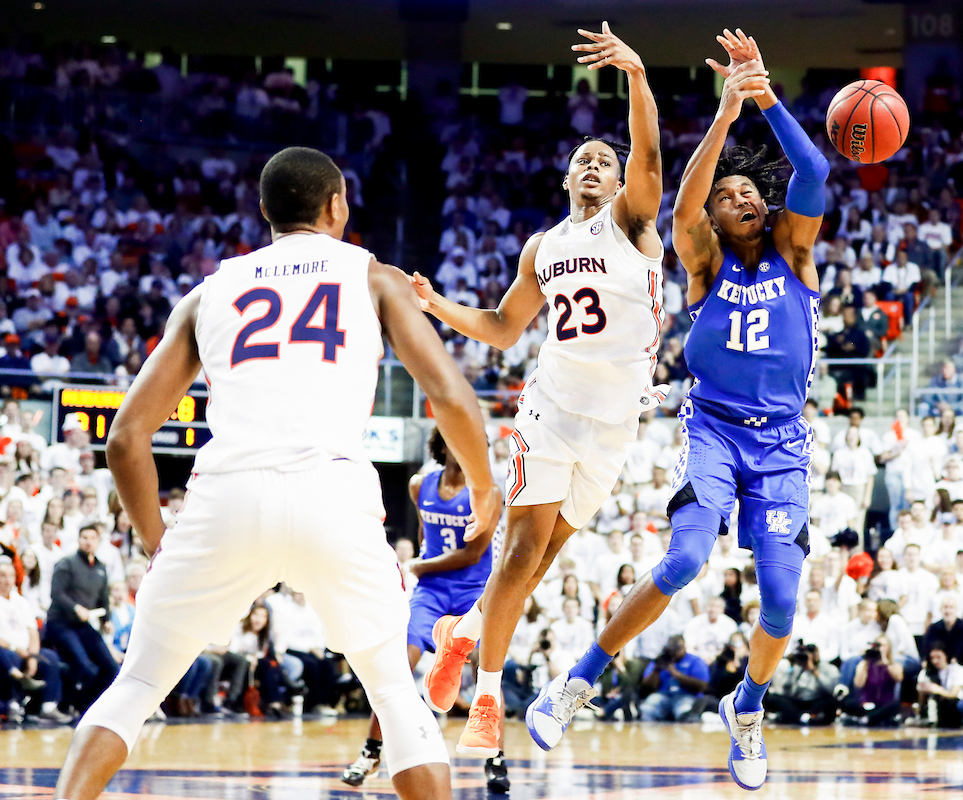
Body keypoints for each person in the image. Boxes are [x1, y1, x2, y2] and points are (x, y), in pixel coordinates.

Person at [52, 147, 499, 800]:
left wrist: (158, 544)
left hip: (227, 492)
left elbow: (125, 438)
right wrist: (484, 489)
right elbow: (454, 400)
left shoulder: (211, 290)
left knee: (139, 686)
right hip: (332, 493)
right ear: (336, 205)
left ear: (264, 211)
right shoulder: (372, 276)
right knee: (395, 695)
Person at [532, 29, 827, 791]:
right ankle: (579, 679)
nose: (742, 198)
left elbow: (816, 166)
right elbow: (686, 200)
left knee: (784, 601)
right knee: (687, 558)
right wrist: (725, 114)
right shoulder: (703, 265)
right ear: (716, 226)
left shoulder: (797, 255)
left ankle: (748, 708)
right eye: (729, 198)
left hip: (786, 445)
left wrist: (763, 94)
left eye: (750, 193)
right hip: (716, 431)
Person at [412, 24, 667, 760]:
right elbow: (500, 326)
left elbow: (648, 151)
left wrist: (637, 75)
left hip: (613, 428)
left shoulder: (633, 225)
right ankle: (486, 699)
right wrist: (438, 306)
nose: (595, 163)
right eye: (582, 158)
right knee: (520, 557)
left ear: (620, 184)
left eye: (605, 160)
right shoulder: (543, 247)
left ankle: (459, 636)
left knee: (535, 564)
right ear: (566, 179)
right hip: (551, 411)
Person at [342, 427, 503, 791]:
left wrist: (418, 566)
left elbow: (473, 554)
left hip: (473, 590)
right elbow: (422, 536)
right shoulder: (420, 485)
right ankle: (370, 753)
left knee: (487, 667)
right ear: (443, 445)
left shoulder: (488, 493)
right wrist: (422, 565)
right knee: (396, 667)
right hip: (431, 592)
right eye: (462, 441)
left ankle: (496, 758)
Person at [44, 525, 118, 714]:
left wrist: (106, 620)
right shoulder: (66, 563)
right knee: (81, 662)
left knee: (110, 667)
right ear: (78, 540)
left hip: (83, 626)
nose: (88, 541)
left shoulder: (101, 568)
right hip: (60, 623)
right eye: (84, 537)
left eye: (92, 538)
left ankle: (84, 702)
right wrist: (75, 607)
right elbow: (56, 594)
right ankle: (64, 703)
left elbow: (104, 599)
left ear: (98, 542)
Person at [0, 557, 71, 723]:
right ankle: (13, 705)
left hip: (26, 651)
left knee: (50, 658)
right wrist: (15, 649)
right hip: (7, 650)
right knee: (9, 658)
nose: (7, 579)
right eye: (2, 575)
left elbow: (33, 632)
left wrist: (32, 656)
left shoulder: (22, 602)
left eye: (10, 575)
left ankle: (47, 707)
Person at [638, 634, 709, 721]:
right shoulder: (662, 660)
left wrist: (675, 673)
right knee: (648, 709)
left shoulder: (695, 661)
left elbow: (702, 686)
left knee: (684, 712)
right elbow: (646, 686)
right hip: (663, 695)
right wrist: (656, 670)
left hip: (686, 695)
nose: (674, 652)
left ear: (684, 647)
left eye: (677, 648)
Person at [843, 636, 903, 726]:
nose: (879, 648)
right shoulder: (864, 664)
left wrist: (884, 660)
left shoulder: (894, 665)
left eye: (882, 645)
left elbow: (899, 678)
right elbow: (858, 684)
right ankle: (871, 718)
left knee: (895, 705)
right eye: (877, 645)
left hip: (884, 704)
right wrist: (866, 661)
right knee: (847, 703)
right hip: (867, 704)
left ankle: (866, 719)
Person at [916, 642, 963, 727]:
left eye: (938, 657)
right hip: (935, 706)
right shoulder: (927, 672)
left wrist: (936, 689)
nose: (935, 661)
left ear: (946, 656)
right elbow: (920, 694)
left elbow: (954, 694)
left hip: (954, 706)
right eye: (932, 657)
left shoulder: (958, 669)